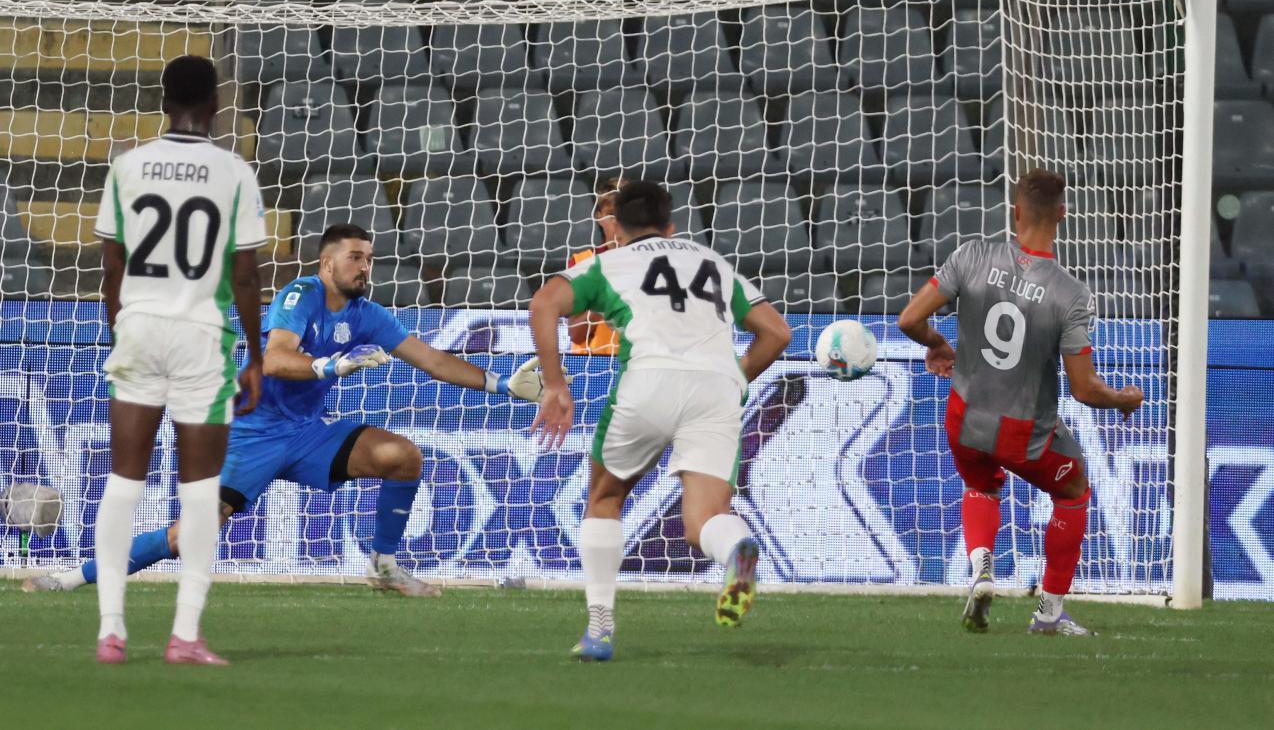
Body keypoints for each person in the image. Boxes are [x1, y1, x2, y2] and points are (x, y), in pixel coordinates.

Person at [27, 224, 564, 613]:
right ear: (328, 264)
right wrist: (333, 363)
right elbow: (275, 358)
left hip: (307, 434)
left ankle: (383, 565)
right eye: (355, 257)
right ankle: (68, 579)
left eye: (370, 258)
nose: (365, 267)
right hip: (250, 432)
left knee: (402, 457)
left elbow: (431, 360)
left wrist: (501, 384)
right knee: (188, 536)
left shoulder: (366, 313)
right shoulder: (300, 294)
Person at [529, 180, 792, 661]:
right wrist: (734, 380)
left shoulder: (610, 261)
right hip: (716, 389)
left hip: (648, 380)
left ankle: (600, 628)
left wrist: (555, 384)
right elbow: (776, 332)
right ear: (671, 225)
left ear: (618, 229)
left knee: (606, 498)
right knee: (705, 519)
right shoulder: (712, 261)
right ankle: (737, 549)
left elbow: (544, 303)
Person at [897, 168, 1143, 636]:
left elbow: (909, 318)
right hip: (1024, 432)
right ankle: (1049, 613)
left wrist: (938, 344)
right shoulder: (1070, 295)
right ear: (1062, 215)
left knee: (981, 485)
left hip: (964, 416)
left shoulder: (971, 255)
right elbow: (1084, 389)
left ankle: (982, 569)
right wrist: (1123, 400)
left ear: (1015, 211)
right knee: (1074, 493)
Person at [87, 54, 266, 665]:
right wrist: (257, 357)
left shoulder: (127, 166)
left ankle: (111, 629)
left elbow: (112, 262)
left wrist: (119, 322)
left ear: (163, 102)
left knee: (122, 481)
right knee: (199, 490)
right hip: (200, 334)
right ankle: (184, 635)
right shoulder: (234, 171)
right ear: (215, 105)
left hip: (139, 326)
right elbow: (244, 275)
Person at [566, 177, 624, 355]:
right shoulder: (583, 262)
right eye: (612, 213)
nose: (618, 221)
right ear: (599, 216)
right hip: (592, 368)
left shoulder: (651, 262)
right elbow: (575, 333)